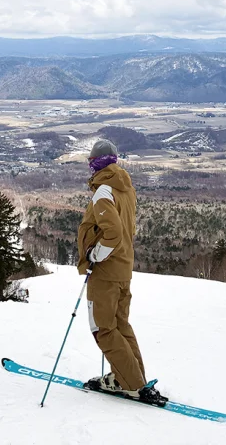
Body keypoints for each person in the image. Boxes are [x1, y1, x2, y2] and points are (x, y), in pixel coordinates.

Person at [77, 139, 167, 406]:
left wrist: (94, 256)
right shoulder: (124, 188)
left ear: (95, 163)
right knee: (120, 325)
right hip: (124, 268)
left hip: (106, 271)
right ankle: (130, 377)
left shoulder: (103, 191)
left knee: (103, 328)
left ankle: (131, 384)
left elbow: (113, 234)